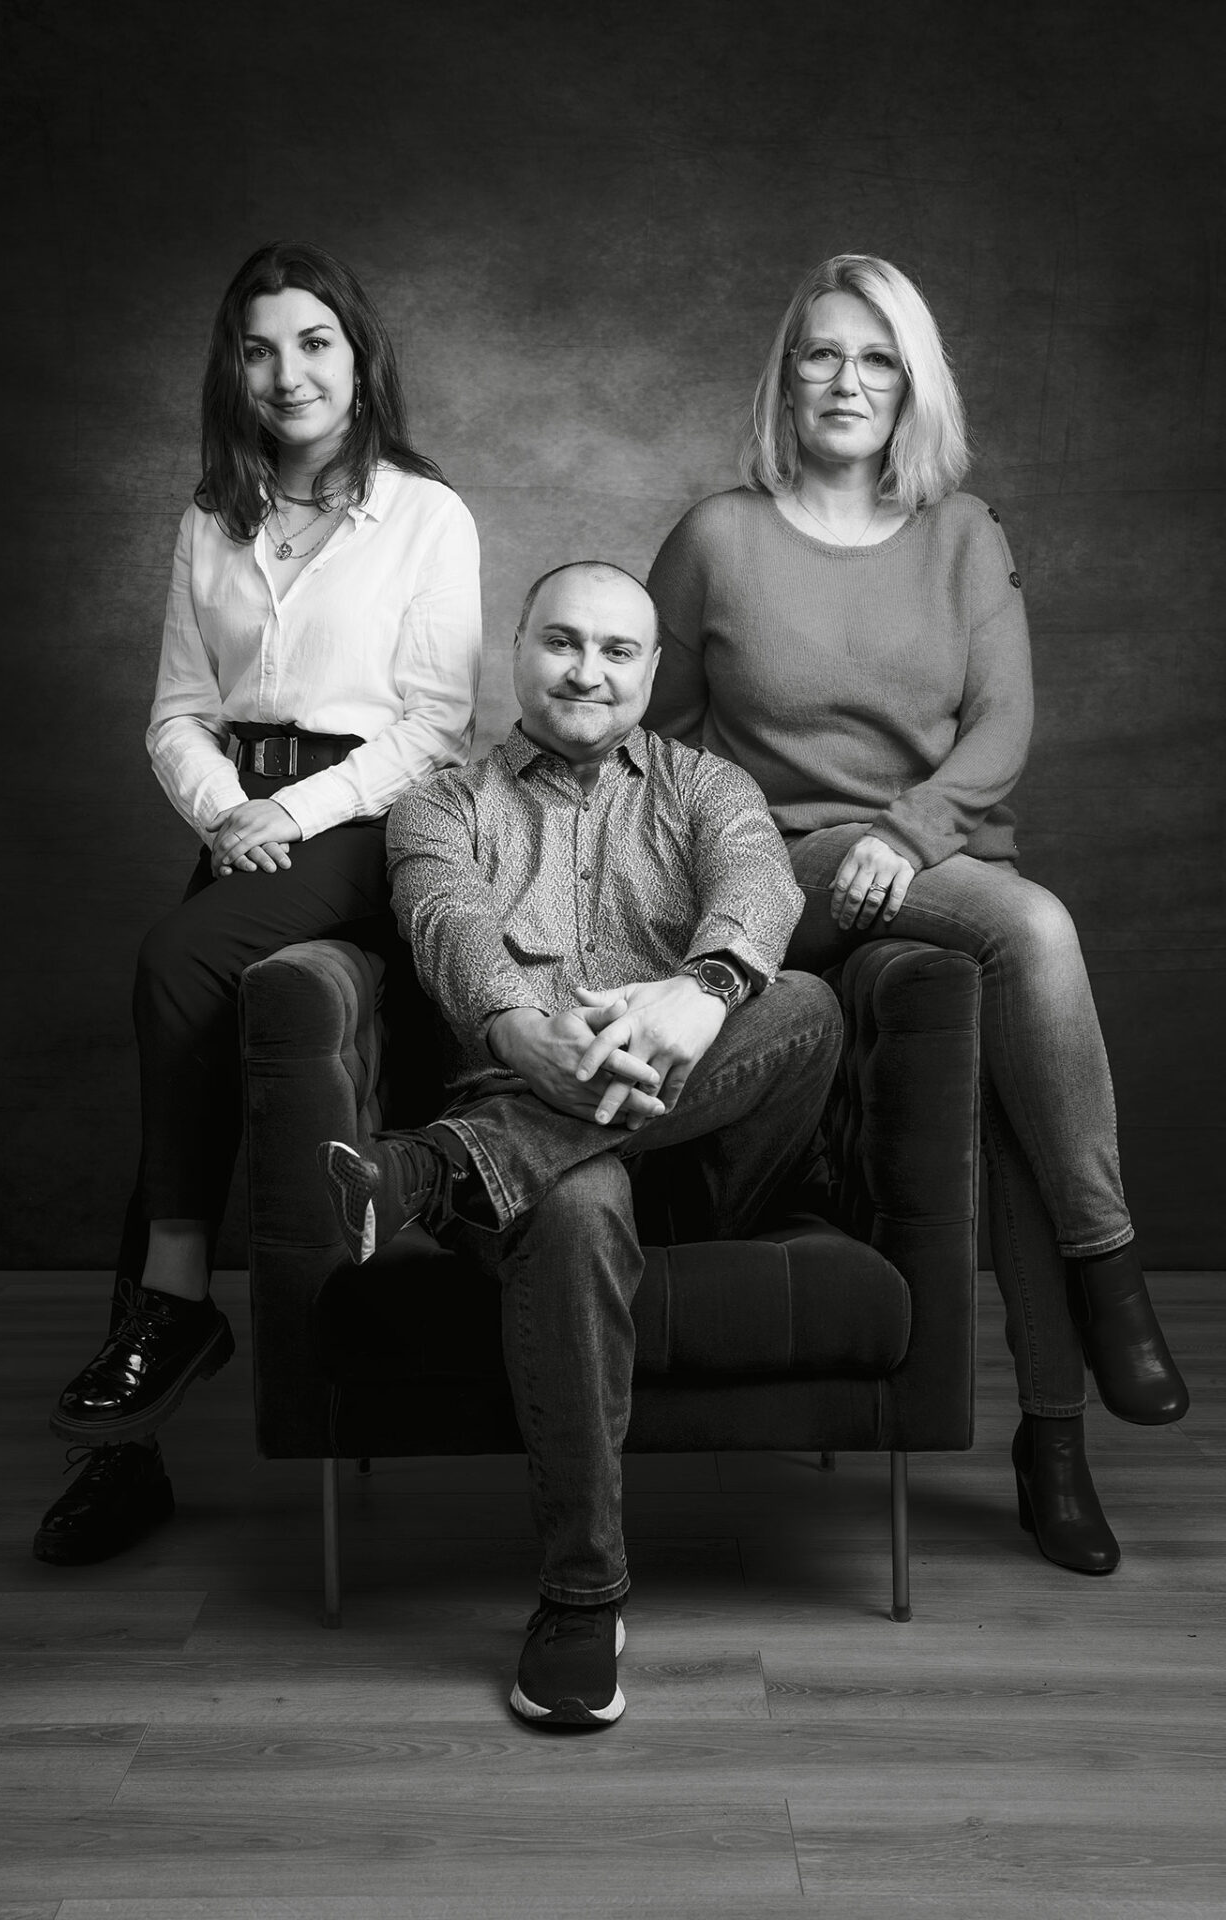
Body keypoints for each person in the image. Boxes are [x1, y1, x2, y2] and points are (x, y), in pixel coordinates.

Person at [645, 252, 1188, 1580]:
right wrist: (715, 872)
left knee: (1008, 1086)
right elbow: (651, 745)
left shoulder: (964, 535)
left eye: (877, 357)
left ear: (912, 385)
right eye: (821, 353)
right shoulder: (716, 538)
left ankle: (1052, 1441)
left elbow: (1001, 724)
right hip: (785, 878)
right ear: (787, 378)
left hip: (937, 872)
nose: (847, 380)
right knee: (1037, 930)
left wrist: (908, 833)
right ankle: (1112, 1270)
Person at [318, 562, 841, 1728]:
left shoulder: (707, 787)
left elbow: (759, 884)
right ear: (517, 649)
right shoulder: (439, 804)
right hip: (539, 1183)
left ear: (650, 671)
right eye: (562, 642)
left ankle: (439, 1163)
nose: (586, 671)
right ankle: (580, 1599)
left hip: (709, 1164)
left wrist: (701, 992)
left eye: (616, 651)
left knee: (803, 1004)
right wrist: (519, 1029)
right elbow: (445, 922)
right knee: (577, 1192)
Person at [34, 241, 482, 1566]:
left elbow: (436, 730)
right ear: (233, 370)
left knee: (176, 962)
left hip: (370, 819)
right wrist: (228, 809)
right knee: (186, 1075)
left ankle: (179, 1303)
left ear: (359, 356)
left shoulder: (424, 516)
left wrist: (288, 814)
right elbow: (179, 710)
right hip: (244, 822)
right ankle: (126, 1458)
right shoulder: (211, 517)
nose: (289, 373)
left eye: (314, 342)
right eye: (259, 348)